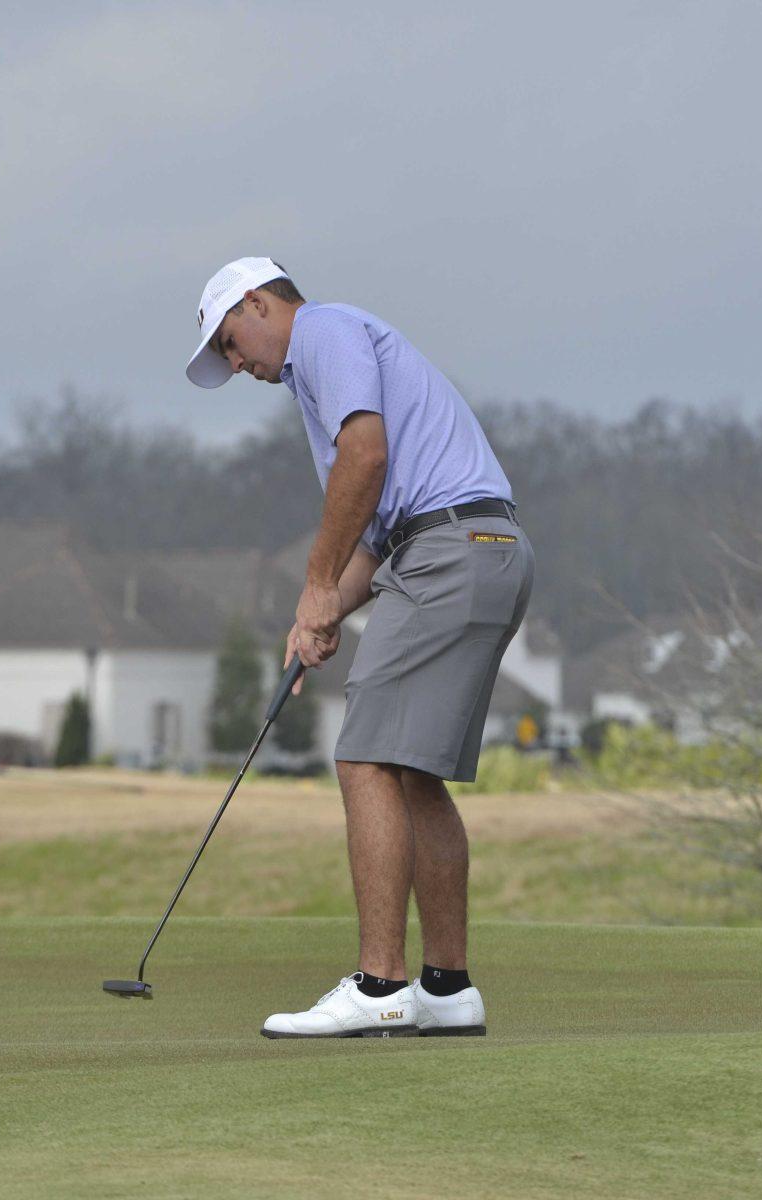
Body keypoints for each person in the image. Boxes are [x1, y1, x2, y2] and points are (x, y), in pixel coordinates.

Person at [186, 257, 534, 1038]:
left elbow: (366, 460)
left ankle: (380, 985)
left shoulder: (324, 332)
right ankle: (447, 990)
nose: (237, 366)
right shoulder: (323, 369)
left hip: (447, 553)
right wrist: (320, 616)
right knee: (410, 774)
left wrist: (315, 582)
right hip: (482, 548)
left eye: (231, 344)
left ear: (257, 302)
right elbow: (378, 537)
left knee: (364, 757)